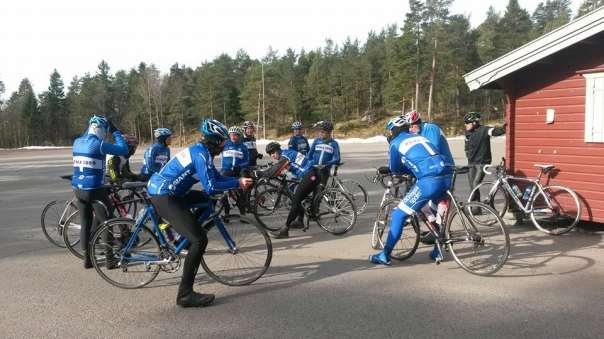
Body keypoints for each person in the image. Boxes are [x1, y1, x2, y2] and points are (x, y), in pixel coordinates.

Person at [147, 119, 253, 307]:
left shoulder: (203, 152)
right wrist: (237, 184)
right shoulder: (201, 155)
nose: (224, 145)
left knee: (205, 200)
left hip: (173, 191)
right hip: (164, 195)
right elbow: (211, 186)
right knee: (200, 239)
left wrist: (236, 180)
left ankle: (183, 240)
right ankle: (185, 295)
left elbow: (215, 177)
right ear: (213, 141)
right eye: (221, 141)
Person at [369, 120, 452, 266]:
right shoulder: (420, 136)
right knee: (432, 212)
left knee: (398, 215)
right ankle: (437, 250)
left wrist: (406, 172)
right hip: (446, 175)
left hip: (429, 181)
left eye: (390, 131)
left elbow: (395, 169)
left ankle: (385, 255)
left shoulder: (396, 143)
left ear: (393, 131)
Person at [72, 115, 129, 269]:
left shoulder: (77, 142)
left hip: (78, 189)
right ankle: (110, 260)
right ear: (99, 129)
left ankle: (87, 259)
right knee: (107, 222)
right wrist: (116, 132)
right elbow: (124, 149)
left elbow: (87, 137)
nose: (105, 134)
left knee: (86, 222)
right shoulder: (100, 144)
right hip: (95, 189)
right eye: (104, 130)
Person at [401, 110, 454, 245]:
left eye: (412, 125)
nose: (411, 129)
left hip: (443, 167)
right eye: (409, 126)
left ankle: (441, 231)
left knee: (436, 200)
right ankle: (438, 230)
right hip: (432, 169)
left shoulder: (430, 128)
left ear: (419, 122)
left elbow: (432, 150)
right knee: (432, 202)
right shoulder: (417, 133)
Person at [265, 141, 317, 239]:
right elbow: (286, 168)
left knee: (295, 201)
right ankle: (300, 221)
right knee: (299, 198)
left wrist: (261, 173)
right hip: (311, 173)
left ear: (278, 150)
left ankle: (285, 230)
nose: (272, 155)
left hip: (309, 175)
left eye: (272, 153)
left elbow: (274, 171)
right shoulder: (286, 153)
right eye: (270, 154)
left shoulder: (285, 156)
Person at [464, 112, 506, 203]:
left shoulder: (484, 130)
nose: (465, 125)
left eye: (467, 122)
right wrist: (467, 154)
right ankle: (476, 207)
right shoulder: (468, 133)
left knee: (475, 184)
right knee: (472, 186)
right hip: (471, 163)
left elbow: (495, 131)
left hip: (482, 163)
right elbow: (466, 146)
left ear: (474, 123)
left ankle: (472, 204)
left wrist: (505, 127)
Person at [221, 126, 250, 215]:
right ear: (229, 135)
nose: (233, 137)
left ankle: (242, 214)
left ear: (239, 136)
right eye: (231, 135)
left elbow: (247, 161)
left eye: (235, 135)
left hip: (237, 171)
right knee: (224, 193)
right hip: (226, 171)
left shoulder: (243, 147)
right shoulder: (224, 144)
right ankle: (226, 213)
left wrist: (240, 166)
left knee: (240, 193)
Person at [308, 121, 340, 185]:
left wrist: (326, 164)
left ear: (329, 133)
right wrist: (309, 164)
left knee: (320, 191)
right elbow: (309, 155)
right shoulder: (316, 141)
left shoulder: (334, 143)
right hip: (314, 169)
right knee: (310, 187)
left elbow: (337, 158)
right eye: (320, 131)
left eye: (322, 132)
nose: (320, 133)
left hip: (325, 171)